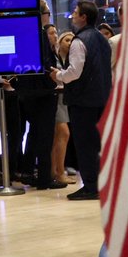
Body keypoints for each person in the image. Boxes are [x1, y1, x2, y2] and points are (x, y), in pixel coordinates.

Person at [51, 0, 113, 202]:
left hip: (83, 101)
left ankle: (91, 187)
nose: (73, 15)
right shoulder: (102, 39)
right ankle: (101, 185)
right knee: (98, 145)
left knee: (85, 146)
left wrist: (58, 75)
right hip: (102, 99)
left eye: (76, 12)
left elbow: (74, 72)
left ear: (84, 17)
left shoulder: (79, 41)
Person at [13, 2, 60, 188]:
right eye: (47, 12)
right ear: (42, 14)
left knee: (34, 133)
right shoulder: (39, 34)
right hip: (42, 92)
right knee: (45, 136)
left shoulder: (22, 33)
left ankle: (29, 172)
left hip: (27, 93)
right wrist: (54, 81)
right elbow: (45, 65)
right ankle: (44, 179)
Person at [50, 31, 77, 190]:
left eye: (72, 40)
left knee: (59, 136)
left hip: (64, 100)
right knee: (63, 133)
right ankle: (59, 172)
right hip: (56, 98)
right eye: (67, 39)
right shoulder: (55, 58)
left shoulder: (70, 60)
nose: (70, 42)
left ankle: (55, 170)